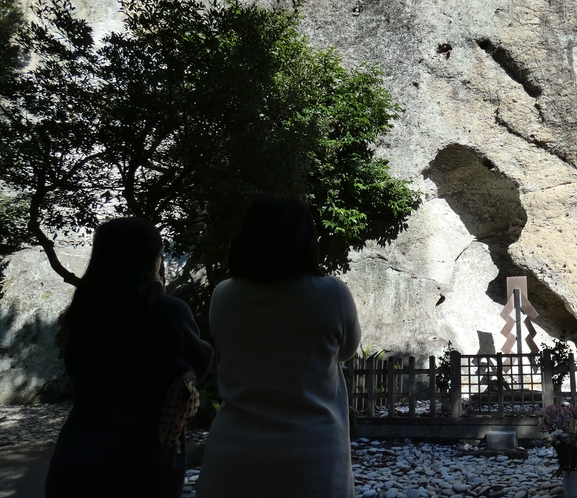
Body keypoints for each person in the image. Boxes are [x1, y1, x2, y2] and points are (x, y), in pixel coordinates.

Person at [197, 196, 362, 498]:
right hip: (314, 456)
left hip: (233, 455)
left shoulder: (224, 295)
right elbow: (347, 351)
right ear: (307, 241)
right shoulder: (332, 294)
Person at [45, 217, 214, 498]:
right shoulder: (166, 310)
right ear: (152, 258)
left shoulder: (85, 309)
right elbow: (196, 365)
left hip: (79, 452)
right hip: (144, 458)